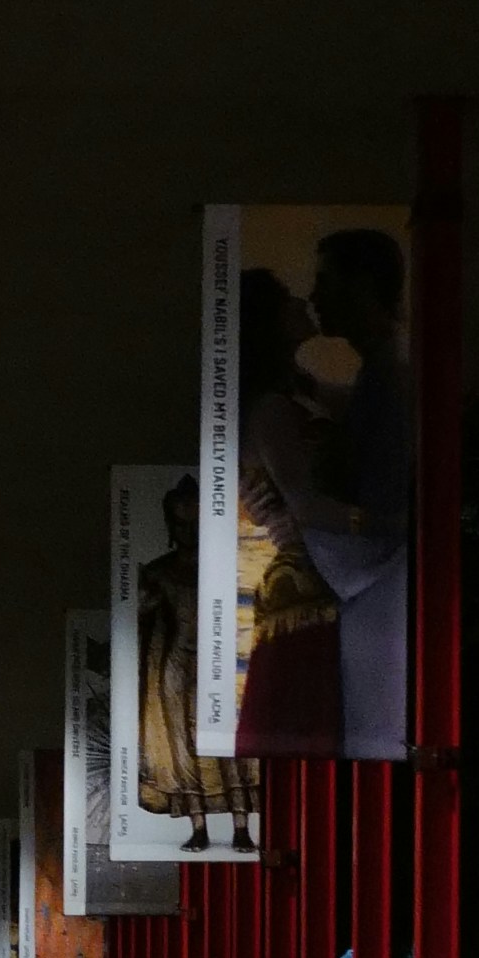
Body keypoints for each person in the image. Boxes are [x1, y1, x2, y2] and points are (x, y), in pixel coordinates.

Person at [304, 226, 412, 761]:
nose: (313, 297)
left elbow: (387, 514)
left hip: (387, 599)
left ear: (363, 283)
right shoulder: (387, 366)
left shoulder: (391, 372)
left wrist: (310, 517)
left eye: (325, 281)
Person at [235, 264, 346, 755]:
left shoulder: (298, 391)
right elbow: (306, 503)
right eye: (288, 300)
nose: (303, 303)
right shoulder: (271, 408)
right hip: (312, 575)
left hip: (316, 571)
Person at [137, 476, 255, 849]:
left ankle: (241, 827)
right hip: (179, 664)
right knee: (184, 746)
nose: (189, 531)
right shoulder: (158, 571)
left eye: (196, 523)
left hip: (223, 662)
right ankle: (198, 827)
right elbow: (142, 621)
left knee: (232, 744)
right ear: (170, 526)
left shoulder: (232, 563)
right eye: (181, 524)